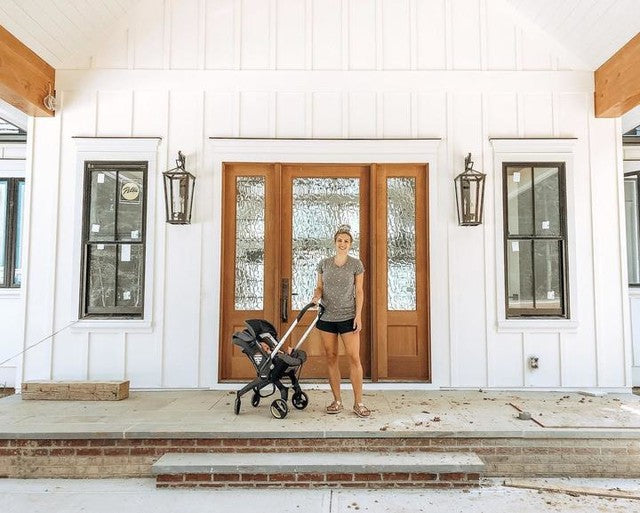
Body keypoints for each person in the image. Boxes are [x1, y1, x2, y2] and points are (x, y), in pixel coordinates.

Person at [311, 224, 370, 418]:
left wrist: (358, 316)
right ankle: (337, 400)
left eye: (346, 241)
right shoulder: (324, 264)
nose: (342, 244)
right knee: (331, 357)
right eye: (339, 241)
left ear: (350, 244)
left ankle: (358, 402)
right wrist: (316, 296)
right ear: (334, 243)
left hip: (348, 317)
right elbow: (320, 287)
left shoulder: (356, 264)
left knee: (354, 358)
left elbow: (359, 291)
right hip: (326, 316)